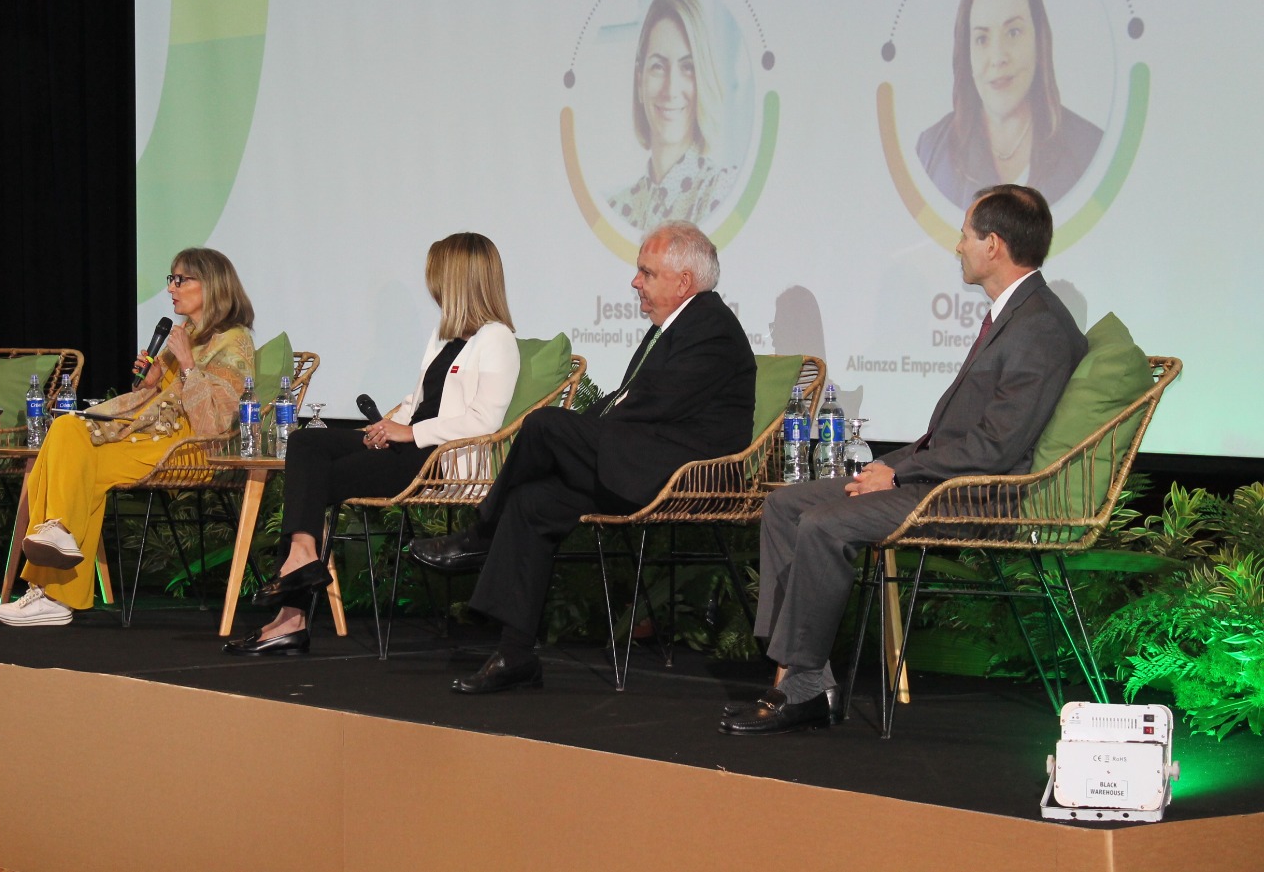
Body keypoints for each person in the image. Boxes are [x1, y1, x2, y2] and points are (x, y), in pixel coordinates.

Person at [723, 185, 1086, 735]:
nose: (957, 246)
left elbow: (997, 448)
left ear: (993, 244)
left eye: (965, 236)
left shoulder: (1040, 325)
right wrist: (891, 466)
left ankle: (798, 688)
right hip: (937, 477)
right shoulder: (1016, 315)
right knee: (785, 506)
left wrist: (899, 472)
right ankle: (804, 676)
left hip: (976, 494)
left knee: (823, 523)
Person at [411, 221, 757, 693]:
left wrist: (579, 433)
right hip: (642, 458)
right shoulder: (676, 325)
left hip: (683, 470)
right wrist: (585, 430)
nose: (635, 282)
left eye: (647, 273)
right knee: (532, 502)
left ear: (683, 282)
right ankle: (515, 654)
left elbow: (655, 405)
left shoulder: (711, 327)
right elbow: (628, 400)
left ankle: (482, 534)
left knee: (544, 425)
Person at [224, 232, 520, 655]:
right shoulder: (444, 336)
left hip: (438, 460)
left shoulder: (497, 339)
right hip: (409, 445)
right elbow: (418, 401)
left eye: (437, 275)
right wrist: (388, 426)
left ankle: (290, 618)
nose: (431, 284)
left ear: (459, 278)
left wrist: (410, 433)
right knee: (307, 444)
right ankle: (302, 556)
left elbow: (483, 421)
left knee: (315, 482)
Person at [0, 248, 255, 626]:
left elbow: (213, 425)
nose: (171, 288)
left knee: (77, 463)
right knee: (66, 428)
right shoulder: (186, 334)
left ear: (211, 284)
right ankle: (57, 549)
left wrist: (185, 363)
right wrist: (151, 383)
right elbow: (163, 400)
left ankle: (53, 592)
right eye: (171, 279)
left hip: (187, 448)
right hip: (151, 436)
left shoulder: (234, 342)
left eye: (180, 280)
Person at [917, 0, 1103, 209]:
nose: (998, 58)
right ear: (966, 52)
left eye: (1013, 32)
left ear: (1038, 40)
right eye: (982, 39)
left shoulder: (1090, 149)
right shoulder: (929, 153)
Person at [608, 0, 735, 230]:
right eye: (658, 66)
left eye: (688, 67)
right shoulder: (615, 208)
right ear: (639, 81)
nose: (671, 89)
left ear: (703, 80)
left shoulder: (722, 191)